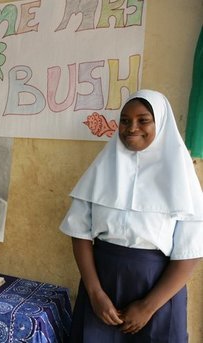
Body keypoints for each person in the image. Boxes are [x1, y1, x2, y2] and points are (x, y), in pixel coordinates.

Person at [60, 89, 203, 342]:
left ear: (161, 122)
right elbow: (79, 232)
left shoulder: (182, 177)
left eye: (143, 120)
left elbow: (190, 253)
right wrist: (95, 294)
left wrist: (148, 306)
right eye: (125, 120)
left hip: (159, 290)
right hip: (102, 285)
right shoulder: (103, 167)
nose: (131, 127)